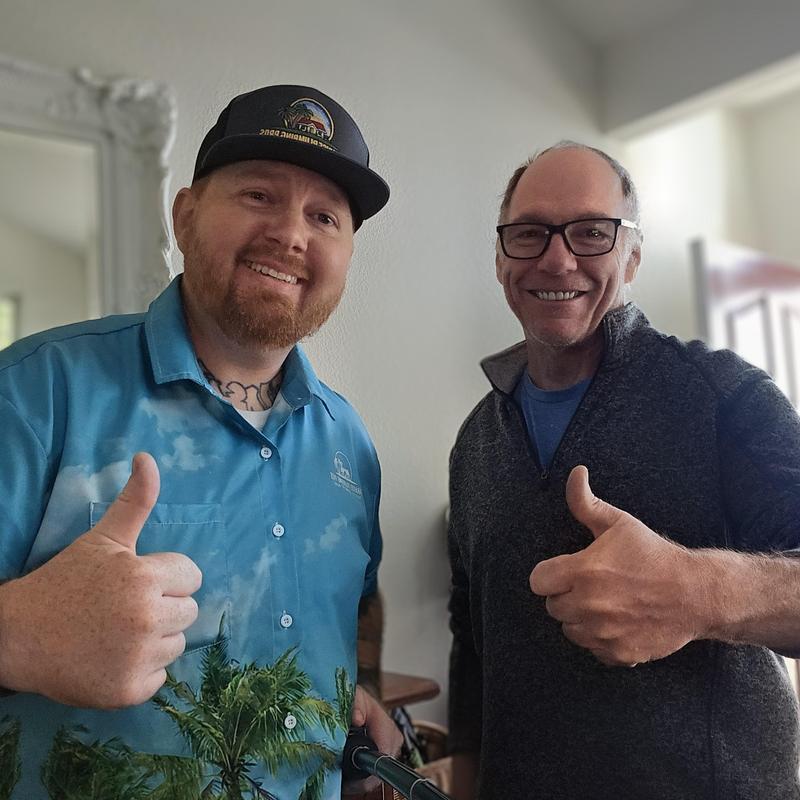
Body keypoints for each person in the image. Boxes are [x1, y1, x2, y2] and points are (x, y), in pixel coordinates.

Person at [0, 84, 401, 800]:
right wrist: (16, 635)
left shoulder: (350, 444)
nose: (291, 234)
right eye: (257, 195)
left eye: (324, 216)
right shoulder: (36, 392)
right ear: (185, 216)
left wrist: (357, 692)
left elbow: (359, 604)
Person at [446, 141, 800, 800]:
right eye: (530, 234)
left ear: (631, 256)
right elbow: (472, 638)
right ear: (500, 260)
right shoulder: (473, 445)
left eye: (591, 233)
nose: (558, 258)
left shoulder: (727, 396)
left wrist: (701, 593)